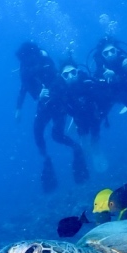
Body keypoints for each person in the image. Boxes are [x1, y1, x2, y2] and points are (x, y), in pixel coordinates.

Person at [32, 61, 89, 192]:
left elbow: (77, 108)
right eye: (66, 74)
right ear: (61, 76)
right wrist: (41, 99)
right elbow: (53, 103)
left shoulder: (82, 82)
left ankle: (77, 151)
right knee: (39, 133)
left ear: (78, 71)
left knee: (57, 136)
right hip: (48, 110)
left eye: (73, 72)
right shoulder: (57, 86)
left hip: (60, 112)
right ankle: (46, 159)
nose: (70, 76)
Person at [90, 37, 127, 120]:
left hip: (126, 92)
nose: (110, 55)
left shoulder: (125, 61)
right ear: (102, 56)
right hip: (110, 97)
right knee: (98, 118)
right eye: (106, 53)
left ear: (117, 50)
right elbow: (96, 85)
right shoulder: (101, 69)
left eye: (112, 51)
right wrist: (106, 79)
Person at [14, 42, 56, 118]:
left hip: (56, 95)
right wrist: (18, 108)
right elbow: (24, 86)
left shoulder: (45, 61)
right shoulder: (25, 67)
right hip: (42, 98)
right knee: (38, 127)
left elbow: (56, 78)